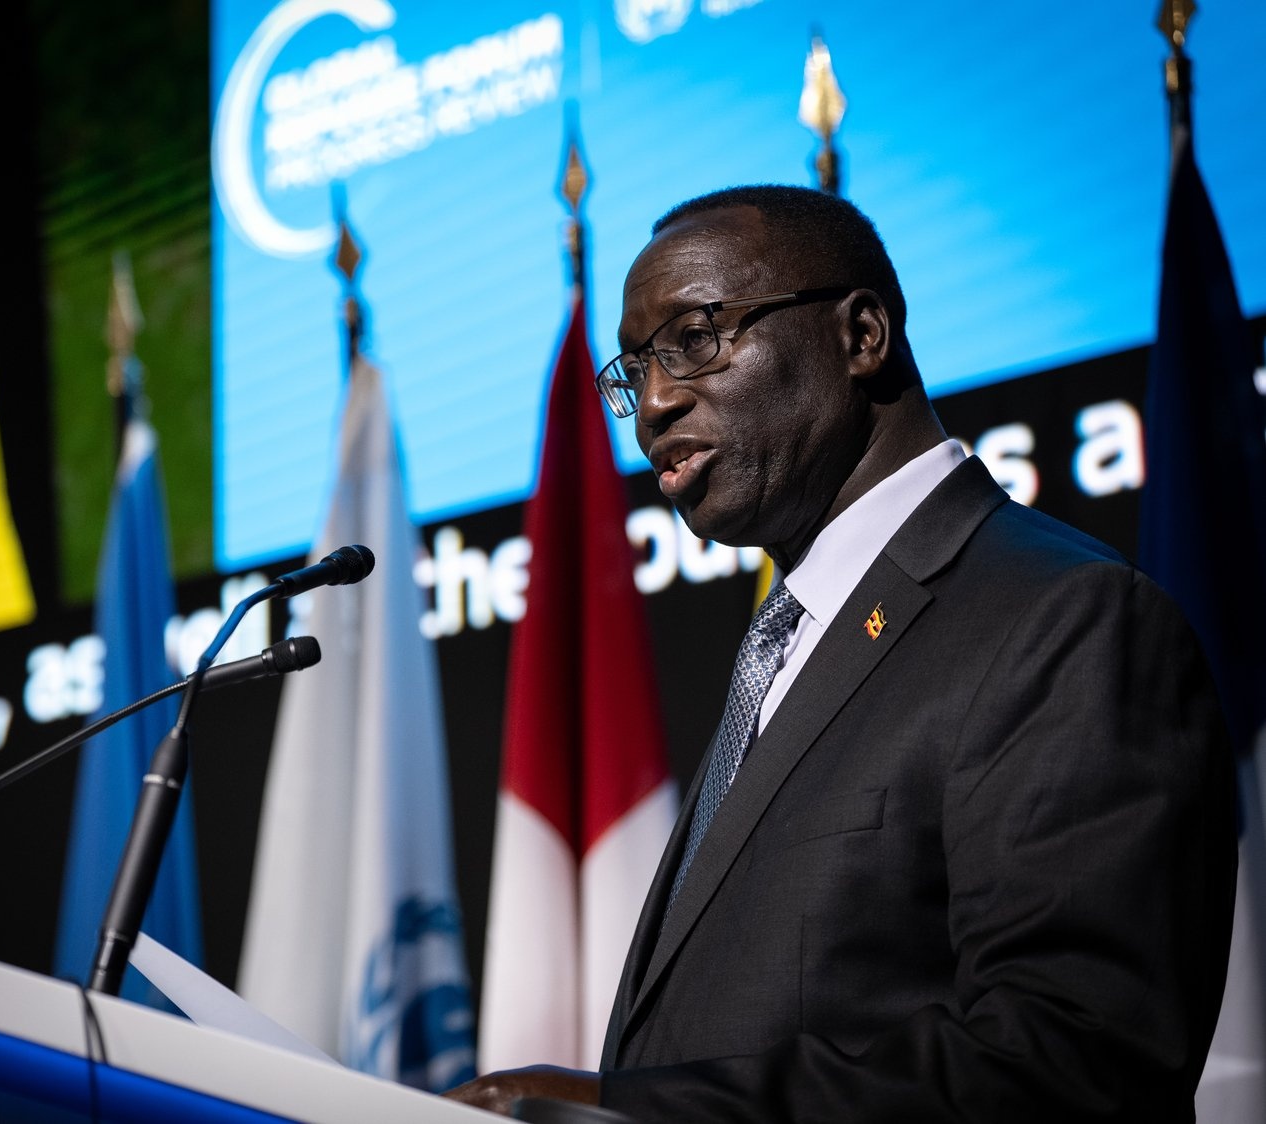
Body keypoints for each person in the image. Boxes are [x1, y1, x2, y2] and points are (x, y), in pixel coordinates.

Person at [448, 185, 1237, 1120]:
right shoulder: (791, 644)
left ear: (861, 335)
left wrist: (641, 1115)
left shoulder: (1064, 621)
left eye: (695, 338)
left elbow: (1074, 1061)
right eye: (635, 370)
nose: (653, 403)